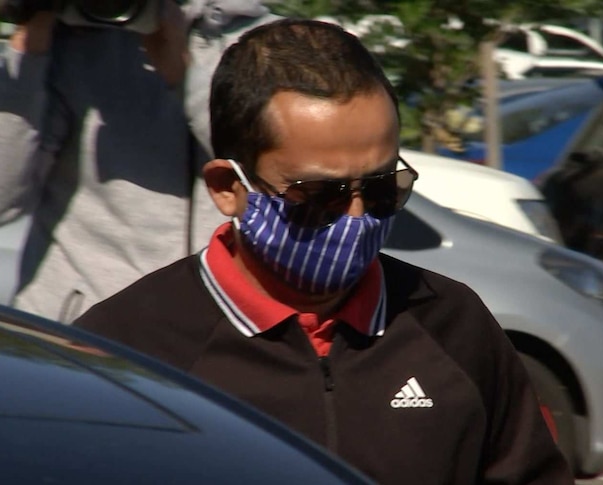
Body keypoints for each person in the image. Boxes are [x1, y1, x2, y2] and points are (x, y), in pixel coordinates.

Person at [74, 18, 573, 485]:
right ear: (229, 187)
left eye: (381, 189)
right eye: (320, 197)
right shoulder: (126, 352)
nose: (357, 219)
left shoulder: (453, 325)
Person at [0, 0, 280, 322]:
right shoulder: (76, 36)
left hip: (218, 341)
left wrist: (186, 77)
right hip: (80, 336)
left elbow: (279, 179)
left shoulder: (274, 46)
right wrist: (29, 35)